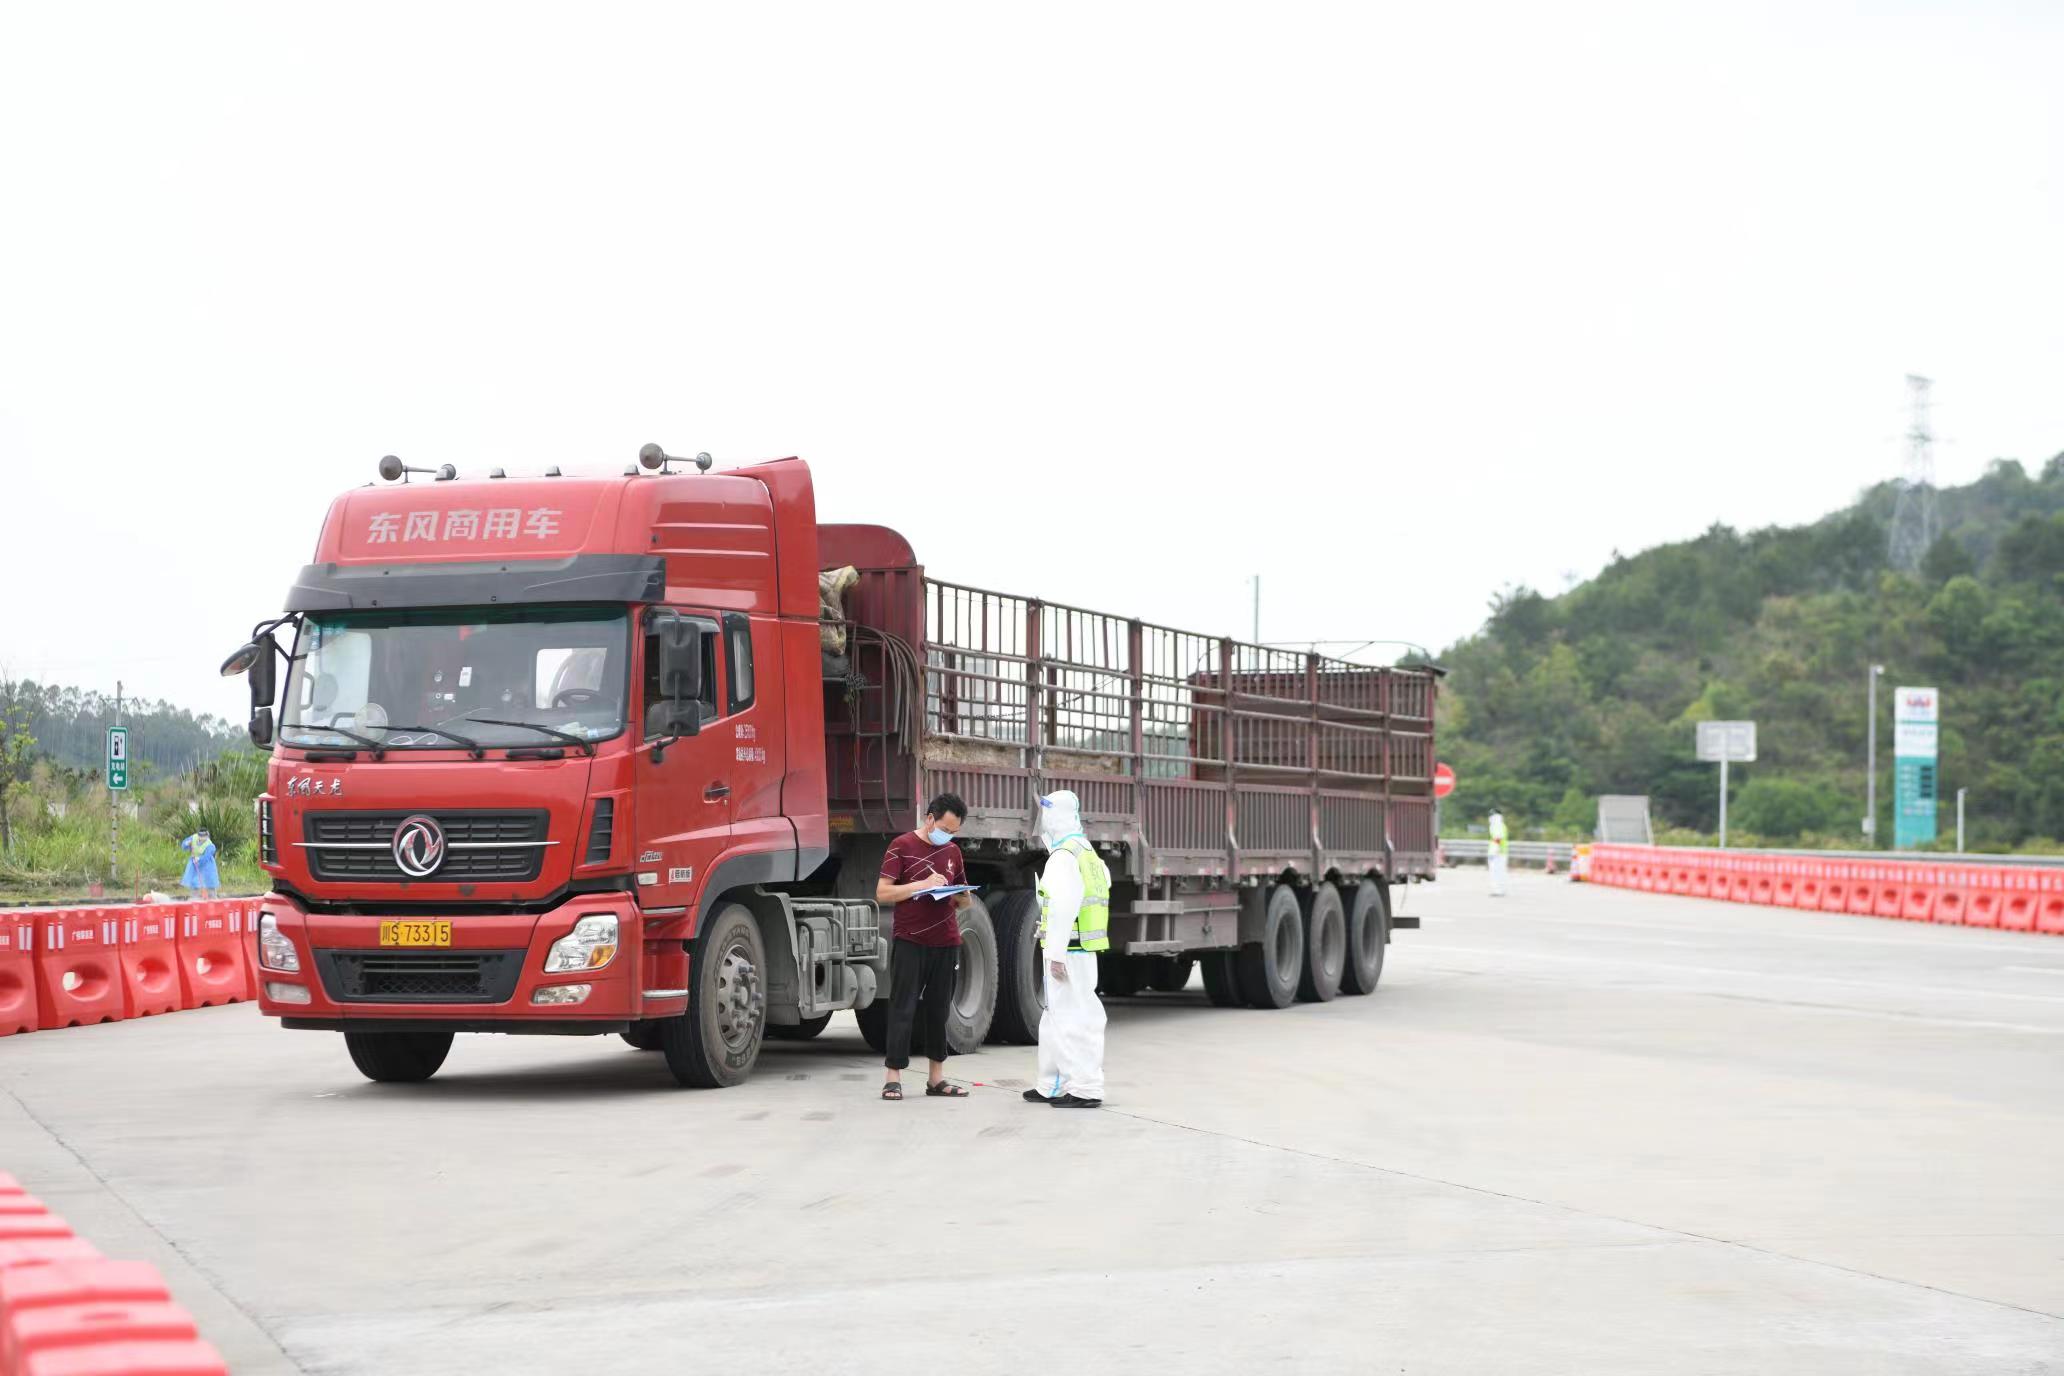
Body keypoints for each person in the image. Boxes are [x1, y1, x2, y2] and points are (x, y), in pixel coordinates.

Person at [874, 793, 974, 1101]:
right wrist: (921, 885)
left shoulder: (953, 852)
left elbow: (965, 900)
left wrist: (955, 893)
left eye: (954, 831)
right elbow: (882, 893)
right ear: (929, 818)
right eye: (945, 827)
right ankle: (893, 1077)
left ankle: (936, 1079)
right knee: (903, 1006)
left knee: (938, 1009)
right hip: (910, 940)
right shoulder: (901, 846)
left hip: (945, 941)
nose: (948, 835)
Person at [1024, 790, 1110, 1108]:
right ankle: (1052, 1084)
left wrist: (1056, 954)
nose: (1043, 821)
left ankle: (1085, 1088)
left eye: (1047, 815)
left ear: (1057, 817)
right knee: (1057, 1018)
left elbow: (1062, 907)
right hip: (1081, 948)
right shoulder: (1085, 852)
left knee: (1073, 1018)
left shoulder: (1064, 857)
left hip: (1070, 950)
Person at [180, 827, 220, 900]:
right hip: (195, 866)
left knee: (209, 883)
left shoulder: (210, 845)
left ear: (207, 836)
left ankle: (213, 899)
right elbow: (184, 846)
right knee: (195, 883)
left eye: (204, 836)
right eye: (200, 836)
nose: (202, 838)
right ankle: (195, 899)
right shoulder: (193, 838)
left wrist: (199, 859)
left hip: (207, 867)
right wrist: (186, 844)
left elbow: (207, 857)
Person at [1487, 808, 1509, 897]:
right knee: (1501, 871)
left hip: (1497, 852)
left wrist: (1494, 850)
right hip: (1502, 851)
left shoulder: (1496, 824)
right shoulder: (1502, 824)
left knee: (1495, 871)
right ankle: (1501, 889)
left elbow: (1497, 838)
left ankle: (1497, 890)